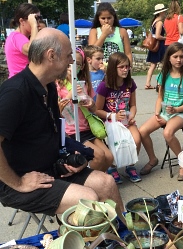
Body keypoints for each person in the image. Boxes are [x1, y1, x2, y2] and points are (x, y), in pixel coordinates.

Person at [0, 28, 124, 216]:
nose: (72, 61)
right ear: (51, 56)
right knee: (88, 198)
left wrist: (79, 155)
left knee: (106, 183)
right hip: (19, 179)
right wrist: (18, 182)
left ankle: (123, 239)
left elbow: (54, 134)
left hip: (53, 168)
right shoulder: (15, 93)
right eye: (68, 56)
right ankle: (88, 244)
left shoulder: (48, 86)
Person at [139, 42, 183, 181]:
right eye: (175, 56)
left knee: (167, 133)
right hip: (165, 112)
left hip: (181, 113)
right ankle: (153, 159)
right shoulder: (164, 74)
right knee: (142, 131)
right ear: (169, 58)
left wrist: (177, 109)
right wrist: (157, 113)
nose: (179, 60)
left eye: (182, 56)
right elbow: (160, 97)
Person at [56, 47, 114, 172]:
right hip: (71, 130)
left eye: (77, 64)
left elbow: (94, 108)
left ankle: (98, 180)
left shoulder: (84, 83)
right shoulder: (57, 84)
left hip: (87, 127)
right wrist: (70, 95)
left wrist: (91, 104)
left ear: (82, 66)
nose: (73, 66)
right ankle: (87, 181)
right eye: (70, 63)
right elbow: (56, 111)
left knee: (108, 157)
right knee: (98, 156)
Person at [95, 52, 142, 184]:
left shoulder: (130, 83)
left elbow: (133, 105)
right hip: (109, 120)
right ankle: (113, 167)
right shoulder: (104, 86)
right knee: (115, 142)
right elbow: (97, 110)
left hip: (126, 119)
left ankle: (130, 165)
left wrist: (131, 115)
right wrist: (113, 116)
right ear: (113, 68)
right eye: (121, 67)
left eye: (127, 66)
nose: (125, 69)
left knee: (137, 139)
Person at [88, 2, 132, 67]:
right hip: (100, 69)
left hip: (118, 68)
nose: (106, 21)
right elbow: (92, 52)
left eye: (109, 18)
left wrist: (129, 67)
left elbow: (128, 53)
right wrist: (104, 34)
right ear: (98, 19)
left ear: (113, 18)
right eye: (103, 18)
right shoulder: (94, 31)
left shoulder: (122, 31)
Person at [4, 3, 41, 78]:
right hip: (20, 84)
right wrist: (34, 26)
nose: (38, 23)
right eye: (35, 19)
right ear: (22, 21)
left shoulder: (20, 37)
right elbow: (31, 50)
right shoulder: (16, 37)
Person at [144, 4, 167, 90]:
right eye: (164, 11)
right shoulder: (160, 22)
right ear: (161, 12)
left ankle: (148, 83)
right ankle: (159, 82)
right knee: (164, 64)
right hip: (159, 45)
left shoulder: (154, 21)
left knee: (153, 65)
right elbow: (158, 36)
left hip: (154, 45)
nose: (165, 12)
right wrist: (166, 38)